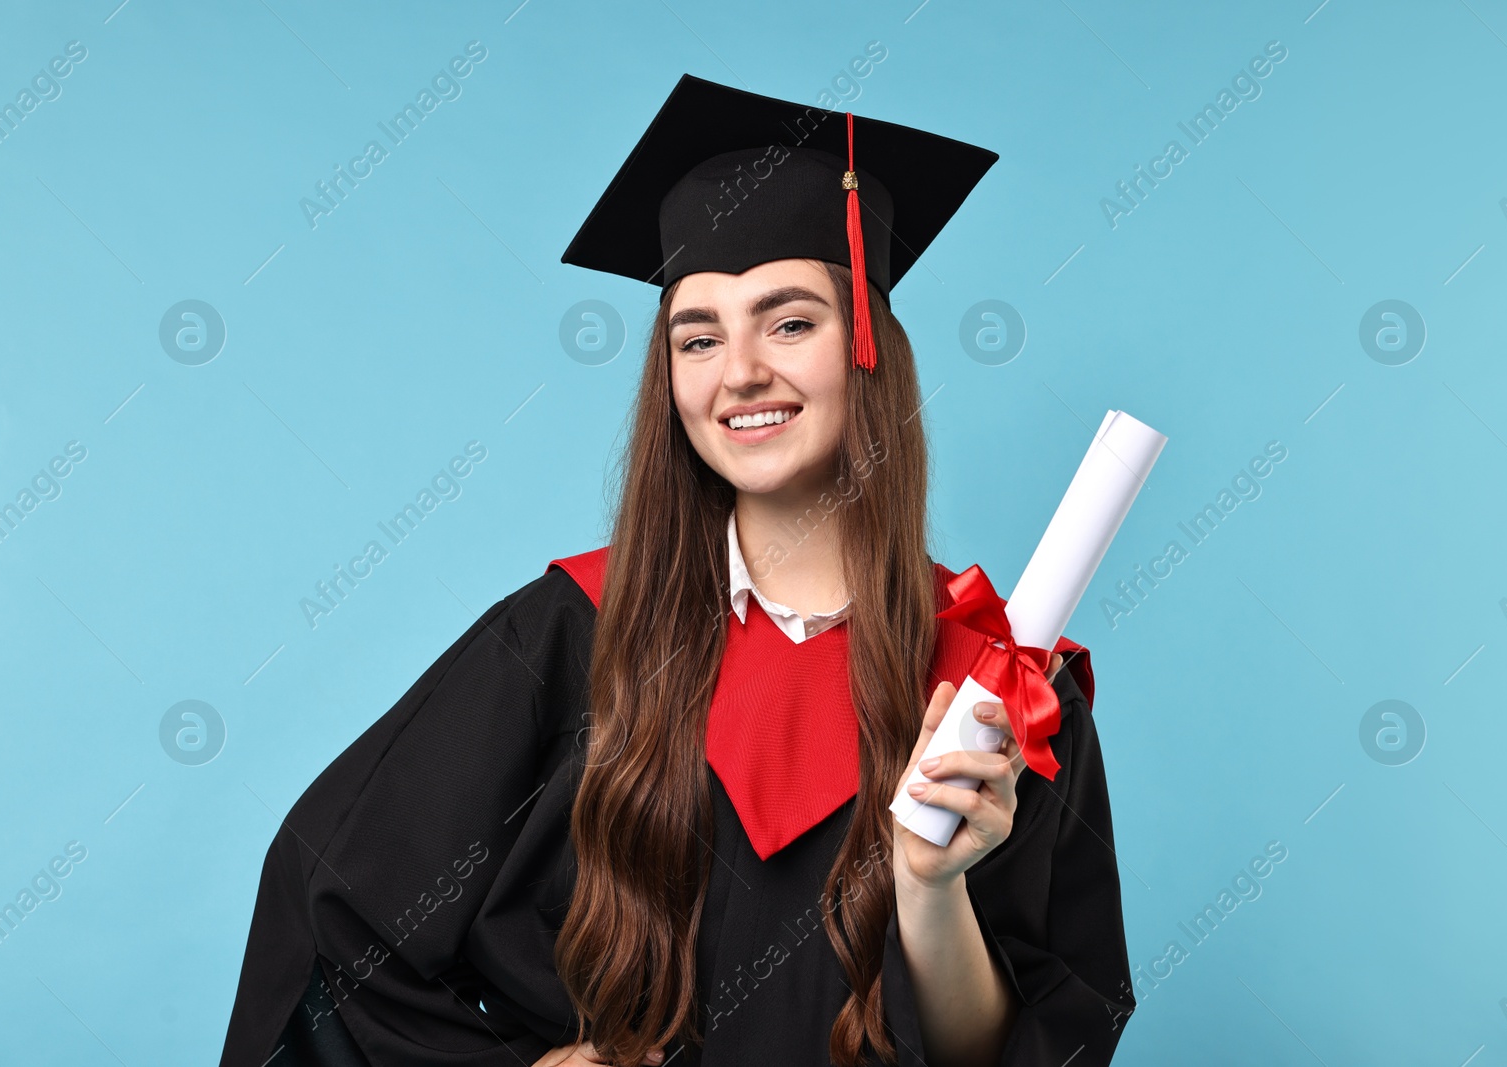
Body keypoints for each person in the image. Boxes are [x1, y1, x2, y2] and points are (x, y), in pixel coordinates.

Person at [217, 74, 1134, 1067]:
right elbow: (329, 910)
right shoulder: (569, 632)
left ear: (869, 348)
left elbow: (1019, 1049)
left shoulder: (993, 692)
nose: (738, 370)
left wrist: (929, 885)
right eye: (697, 337)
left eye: (789, 323)